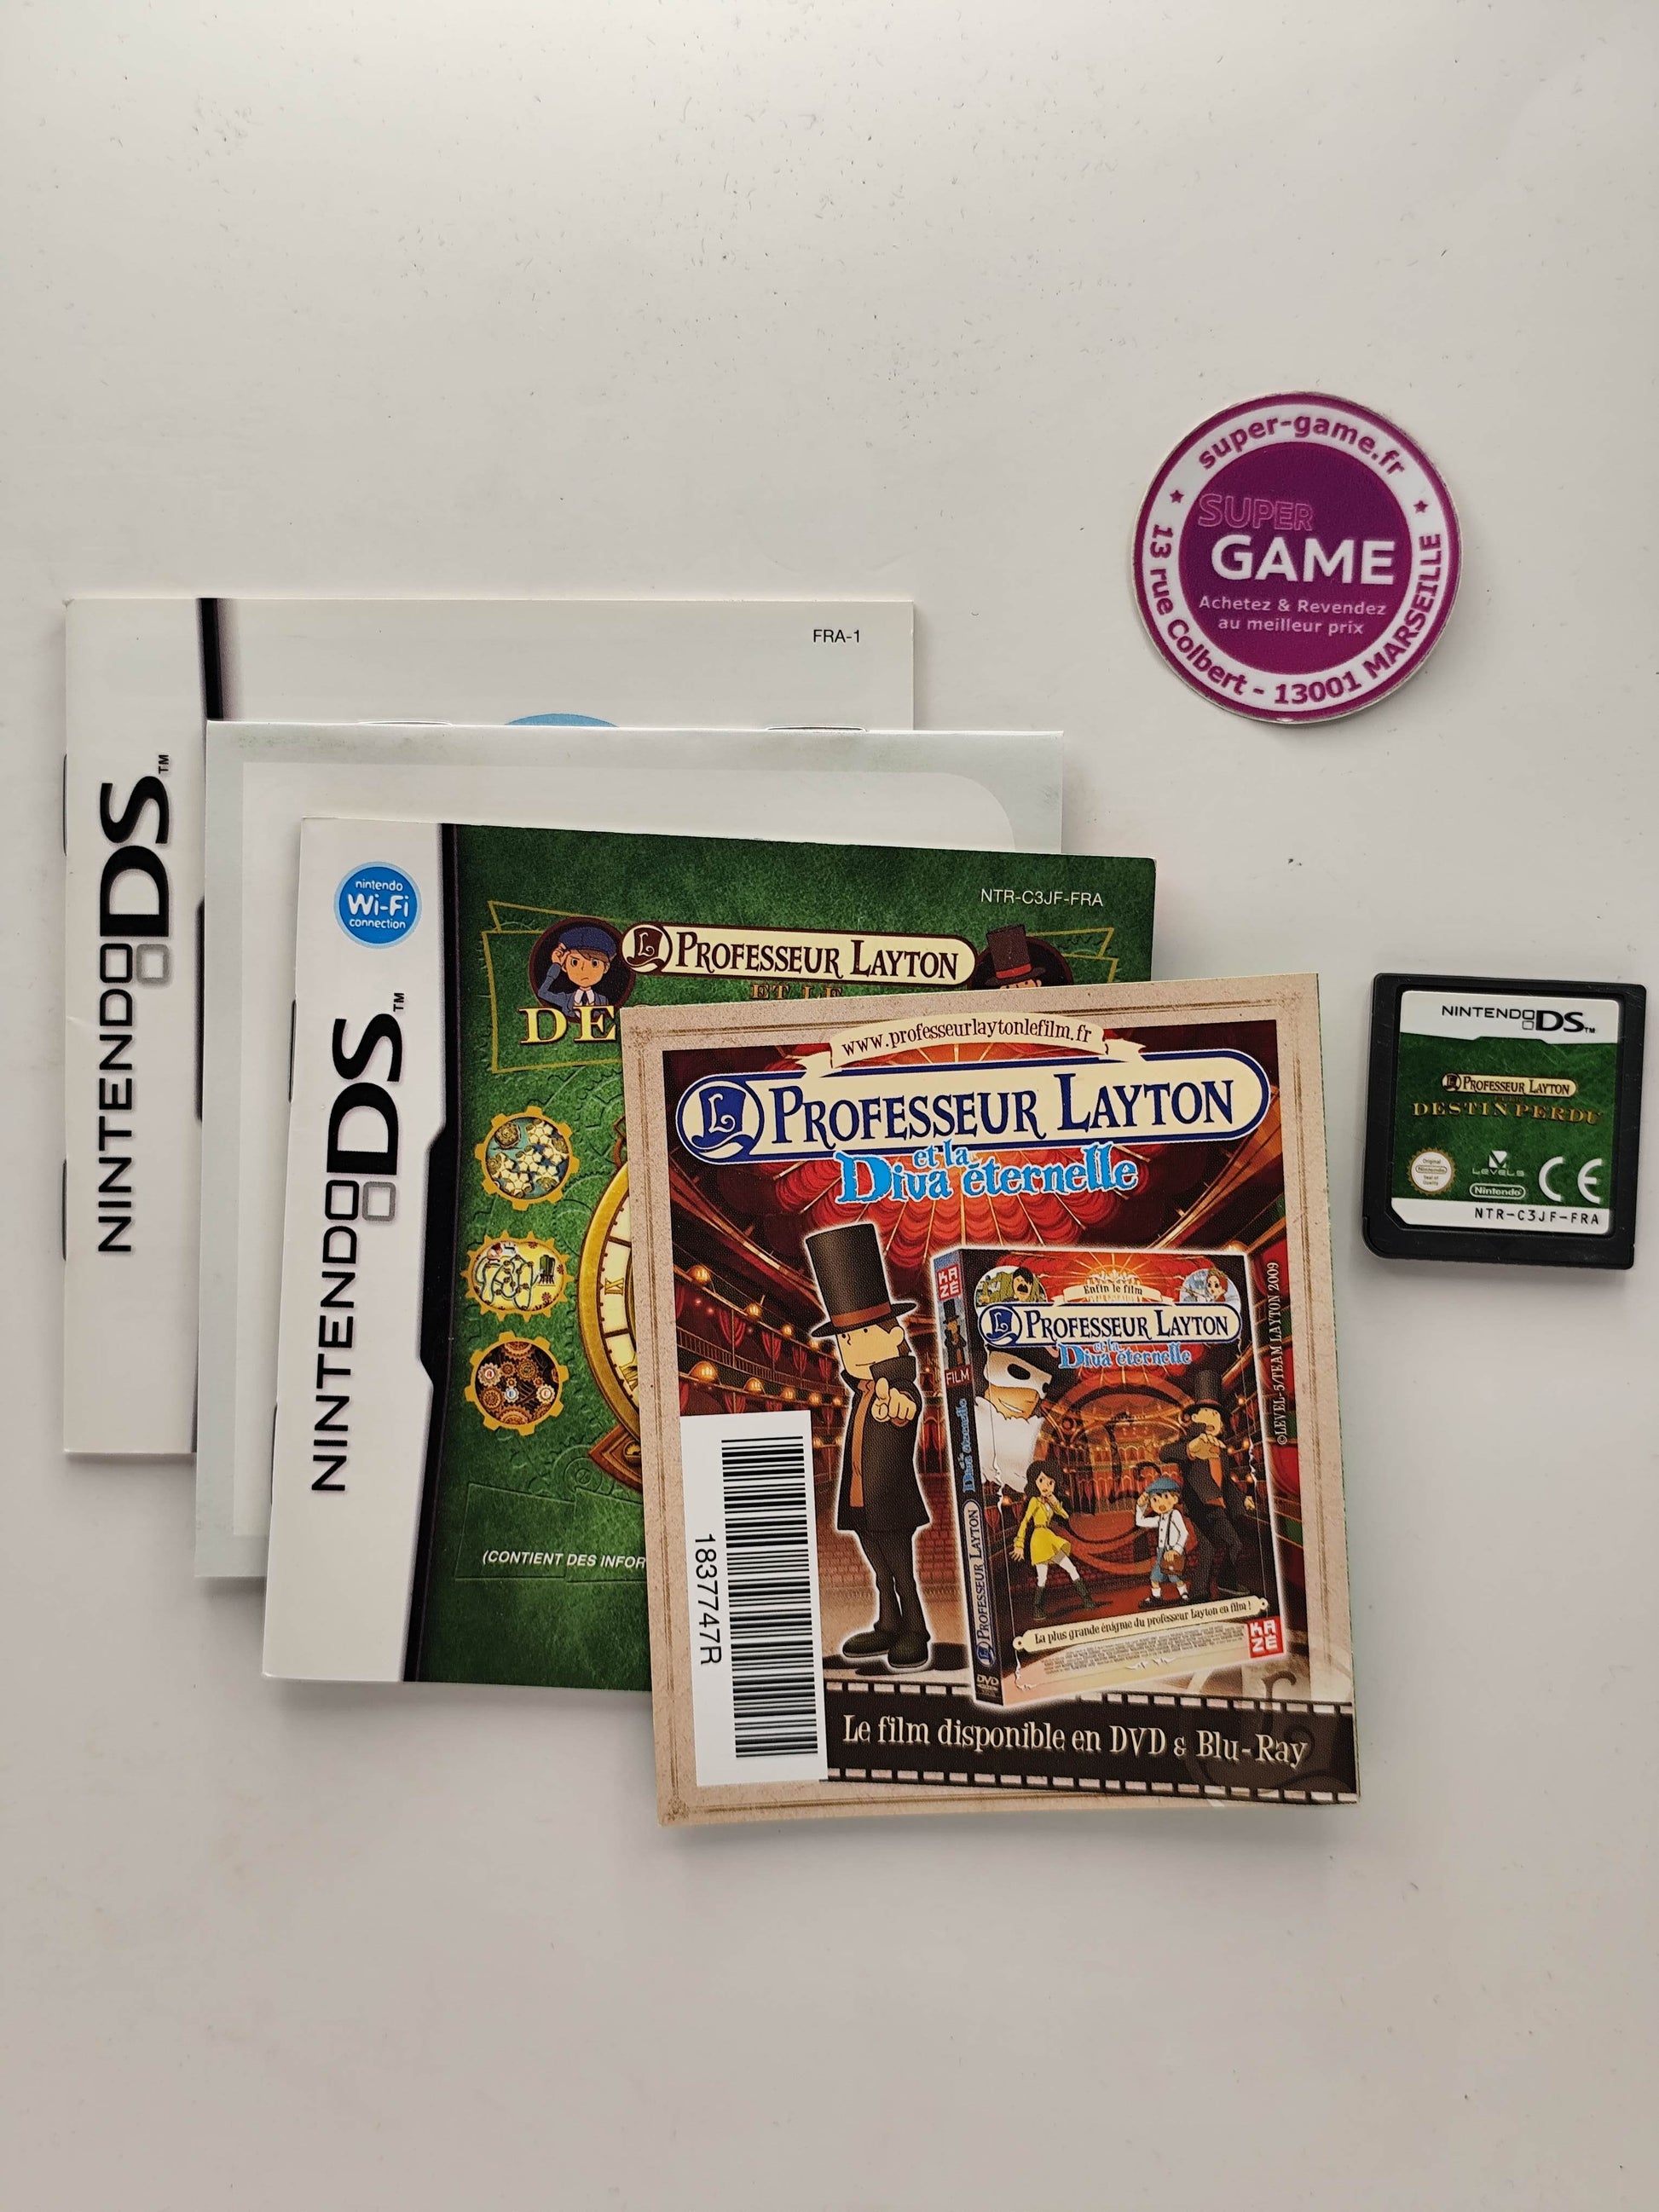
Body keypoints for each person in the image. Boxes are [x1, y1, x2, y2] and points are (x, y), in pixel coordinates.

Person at [804, 1223, 931, 1670]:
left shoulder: (898, 1388)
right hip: (860, 1496)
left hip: (891, 1498)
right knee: (879, 1567)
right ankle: (889, 1623)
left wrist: (894, 1404)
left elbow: (903, 1409)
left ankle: (916, 1629)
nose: (849, 1347)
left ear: (894, 1336)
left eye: (860, 1335)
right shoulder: (861, 1390)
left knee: (901, 1568)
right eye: (845, 1339)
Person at [1159, 1369, 1246, 1601]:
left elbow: (1225, 1482)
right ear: (1195, 1418)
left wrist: (1241, 1498)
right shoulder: (1191, 1441)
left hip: (1216, 1506)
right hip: (1200, 1505)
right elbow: (1165, 1453)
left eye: (1215, 1415)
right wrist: (1189, 1450)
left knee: (1217, 1548)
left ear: (1221, 1423)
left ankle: (1207, 1588)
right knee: (1227, 1545)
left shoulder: (1221, 1450)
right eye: (1205, 1413)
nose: (1210, 1419)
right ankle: (1218, 1585)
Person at [973, 1343, 1061, 1508]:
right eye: (1018, 1378)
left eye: (1041, 1390)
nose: (1030, 1399)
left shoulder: (1035, 1433)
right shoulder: (975, 1419)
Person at [1014, 1470, 1090, 1620]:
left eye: (1050, 1482)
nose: (1046, 1486)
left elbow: (1065, 1516)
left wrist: (1055, 1502)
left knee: (1071, 1568)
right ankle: (1037, 1609)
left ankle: (1087, 1600)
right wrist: (1019, 1543)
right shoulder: (1034, 1501)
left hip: (1049, 1538)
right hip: (1039, 1540)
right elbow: (1025, 1521)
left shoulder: (1050, 1502)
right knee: (1042, 1578)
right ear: (1035, 1483)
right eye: (1041, 1480)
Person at [1134, 1473, 1191, 1608]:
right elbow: (1140, 1522)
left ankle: (1184, 1595)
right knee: (1154, 1577)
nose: (1160, 1503)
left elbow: (1184, 1533)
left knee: (1175, 1576)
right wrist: (1140, 1507)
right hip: (1161, 1552)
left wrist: (1176, 1550)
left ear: (1175, 1499)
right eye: (1155, 1500)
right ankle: (1156, 1597)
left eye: (1165, 1497)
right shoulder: (1160, 1519)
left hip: (1172, 1552)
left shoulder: (1175, 1514)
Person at [536, 921, 620, 1013]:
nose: (583, 969)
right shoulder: (565, 1000)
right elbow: (542, 993)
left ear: (606, 968)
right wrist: (557, 965)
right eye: (575, 962)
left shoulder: (603, 1001)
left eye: (594, 963)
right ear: (564, 967)